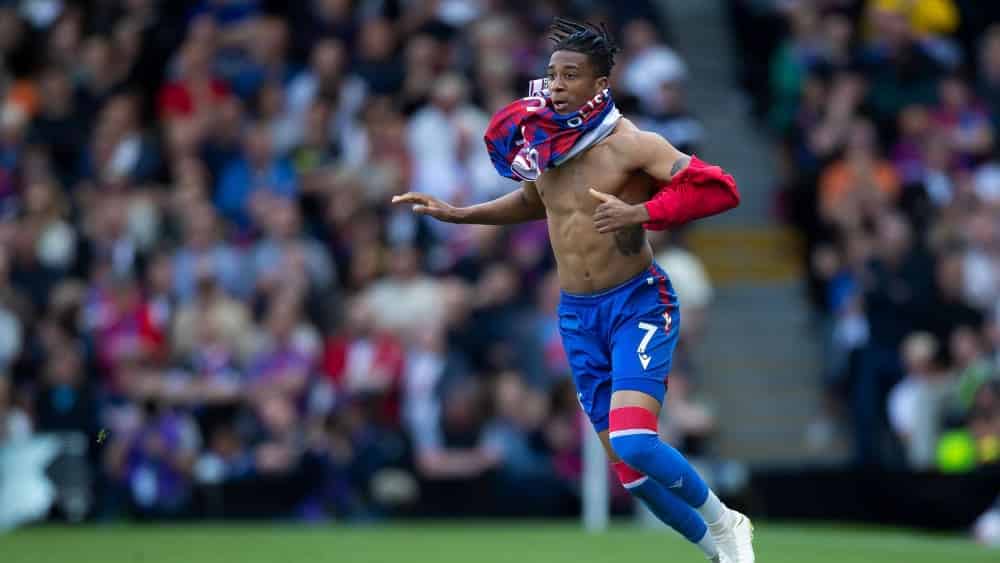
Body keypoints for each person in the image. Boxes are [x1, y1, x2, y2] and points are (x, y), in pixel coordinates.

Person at [393, 18, 753, 563]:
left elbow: (720, 189)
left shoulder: (632, 144)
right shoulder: (548, 143)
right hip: (578, 316)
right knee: (630, 475)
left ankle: (727, 521)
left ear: (600, 84)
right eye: (552, 74)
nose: (556, 85)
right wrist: (460, 214)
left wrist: (642, 212)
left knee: (635, 441)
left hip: (636, 304)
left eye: (570, 75)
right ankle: (719, 551)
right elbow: (536, 201)